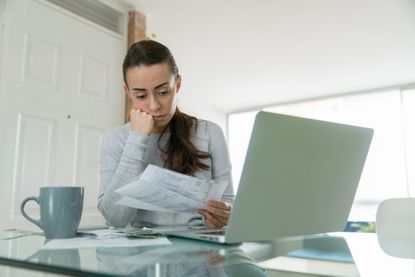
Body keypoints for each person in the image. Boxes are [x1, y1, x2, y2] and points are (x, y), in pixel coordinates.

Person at [98, 40, 234, 229]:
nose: (154, 106)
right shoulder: (116, 139)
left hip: (199, 250)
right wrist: (136, 141)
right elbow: (115, 219)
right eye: (141, 96)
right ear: (127, 92)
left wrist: (225, 214)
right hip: (139, 251)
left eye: (163, 92)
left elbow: (228, 203)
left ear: (177, 84)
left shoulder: (209, 133)